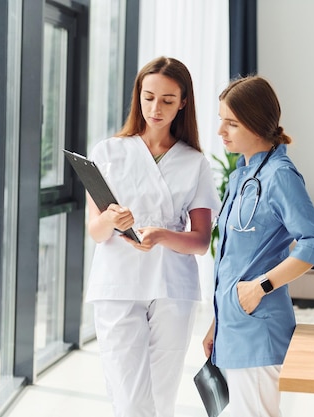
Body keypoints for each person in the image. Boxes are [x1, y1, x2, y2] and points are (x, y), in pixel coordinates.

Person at [85, 56, 220, 417]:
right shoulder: (108, 152)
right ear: (137, 96)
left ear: (184, 102)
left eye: (167, 100)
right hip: (117, 285)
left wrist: (161, 236)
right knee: (129, 401)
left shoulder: (194, 162)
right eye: (148, 97)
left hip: (172, 287)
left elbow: (201, 240)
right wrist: (112, 219)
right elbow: (95, 232)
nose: (155, 108)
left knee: (161, 400)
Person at [202, 75, 314, 417]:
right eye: (221, 122)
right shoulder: (242, 175)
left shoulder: (279, 175)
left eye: (231, 123)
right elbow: (233, 259)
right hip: (233, 327)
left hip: (258, 328)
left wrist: (261, 287)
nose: (221, 132)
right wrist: (218, 322)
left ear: (257, 124)